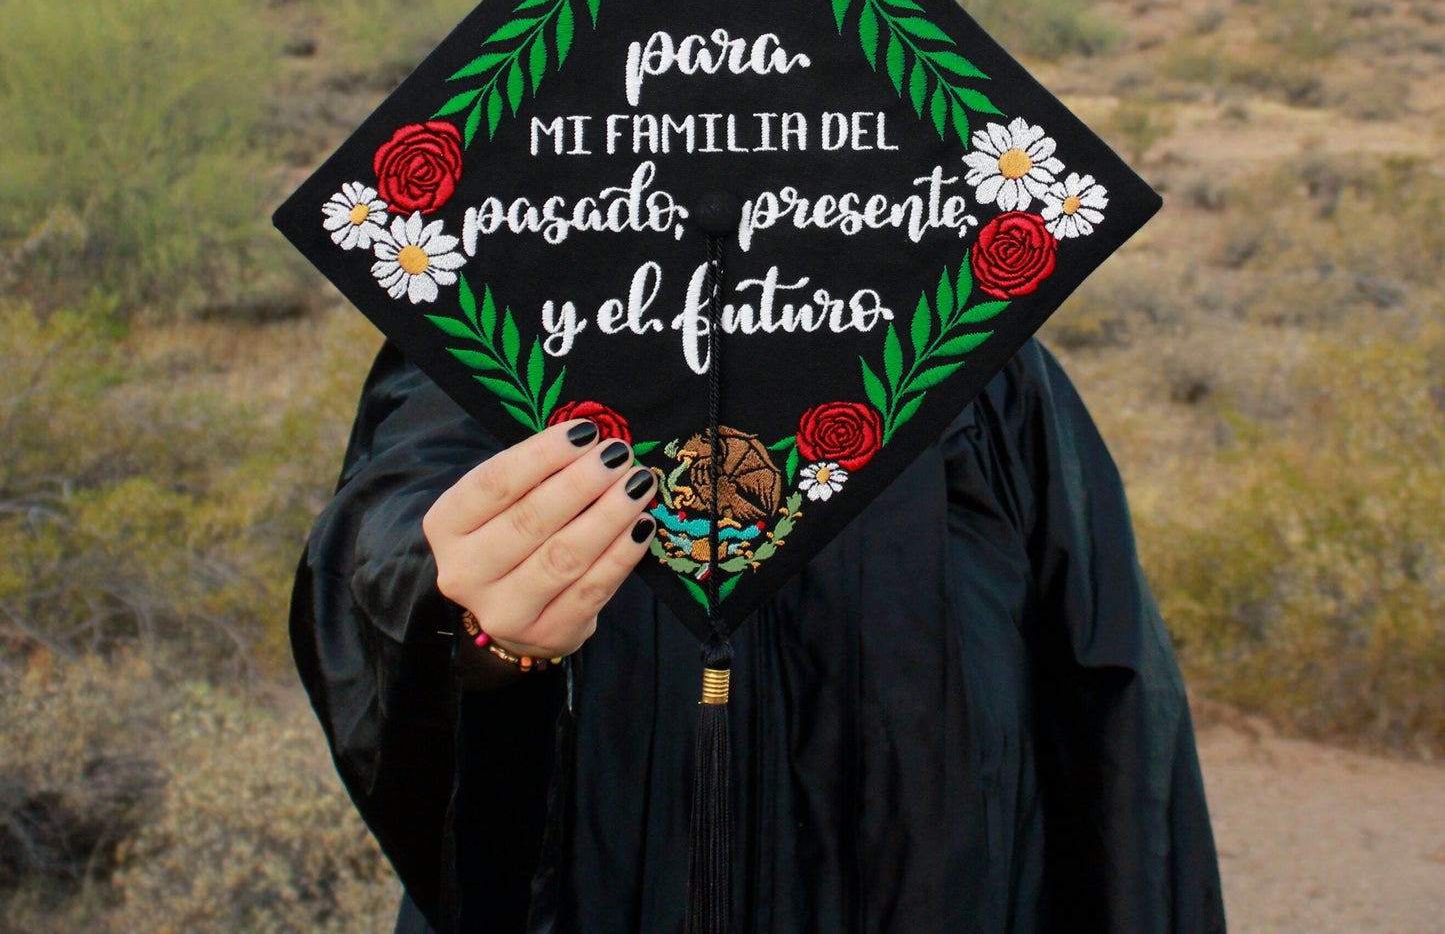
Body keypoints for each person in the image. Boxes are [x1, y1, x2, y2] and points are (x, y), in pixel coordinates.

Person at [291, 331, 1226, 934]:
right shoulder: (508, 325)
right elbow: (391, 523)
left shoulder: (978, 365)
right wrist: (465, 612)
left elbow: (1112, 708)